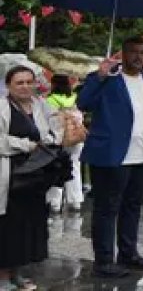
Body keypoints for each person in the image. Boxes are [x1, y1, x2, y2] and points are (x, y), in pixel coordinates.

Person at [78, 37, 143, 278]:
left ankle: (128, 253)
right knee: (107, 208)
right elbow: (84, 102)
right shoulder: (107, 77)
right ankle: (104, 261)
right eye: (133, 52)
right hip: (111, 155)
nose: (138, 57)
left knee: (133, 206)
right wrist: (99, 75)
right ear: (123, 53)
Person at [1, 66, 59, 291]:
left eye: (29, 82)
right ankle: (2, 275)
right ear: (8, 86)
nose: (25, 87)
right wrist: (26, 145)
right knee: (7, 227)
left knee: (28, 226)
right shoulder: (2, 107)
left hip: (34, 176)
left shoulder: (41, 105)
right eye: (19, 83)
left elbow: (54, 131)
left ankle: (18, 272)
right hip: (9, 176)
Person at [44, 73, 84, 214]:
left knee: (56, 169)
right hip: (75, 138)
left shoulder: (50, 100)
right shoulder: (74, 99)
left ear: (53, 84)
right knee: (74, 167)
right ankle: (75, 200)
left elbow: (47, 120)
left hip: (58, 140)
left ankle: (54, 203)